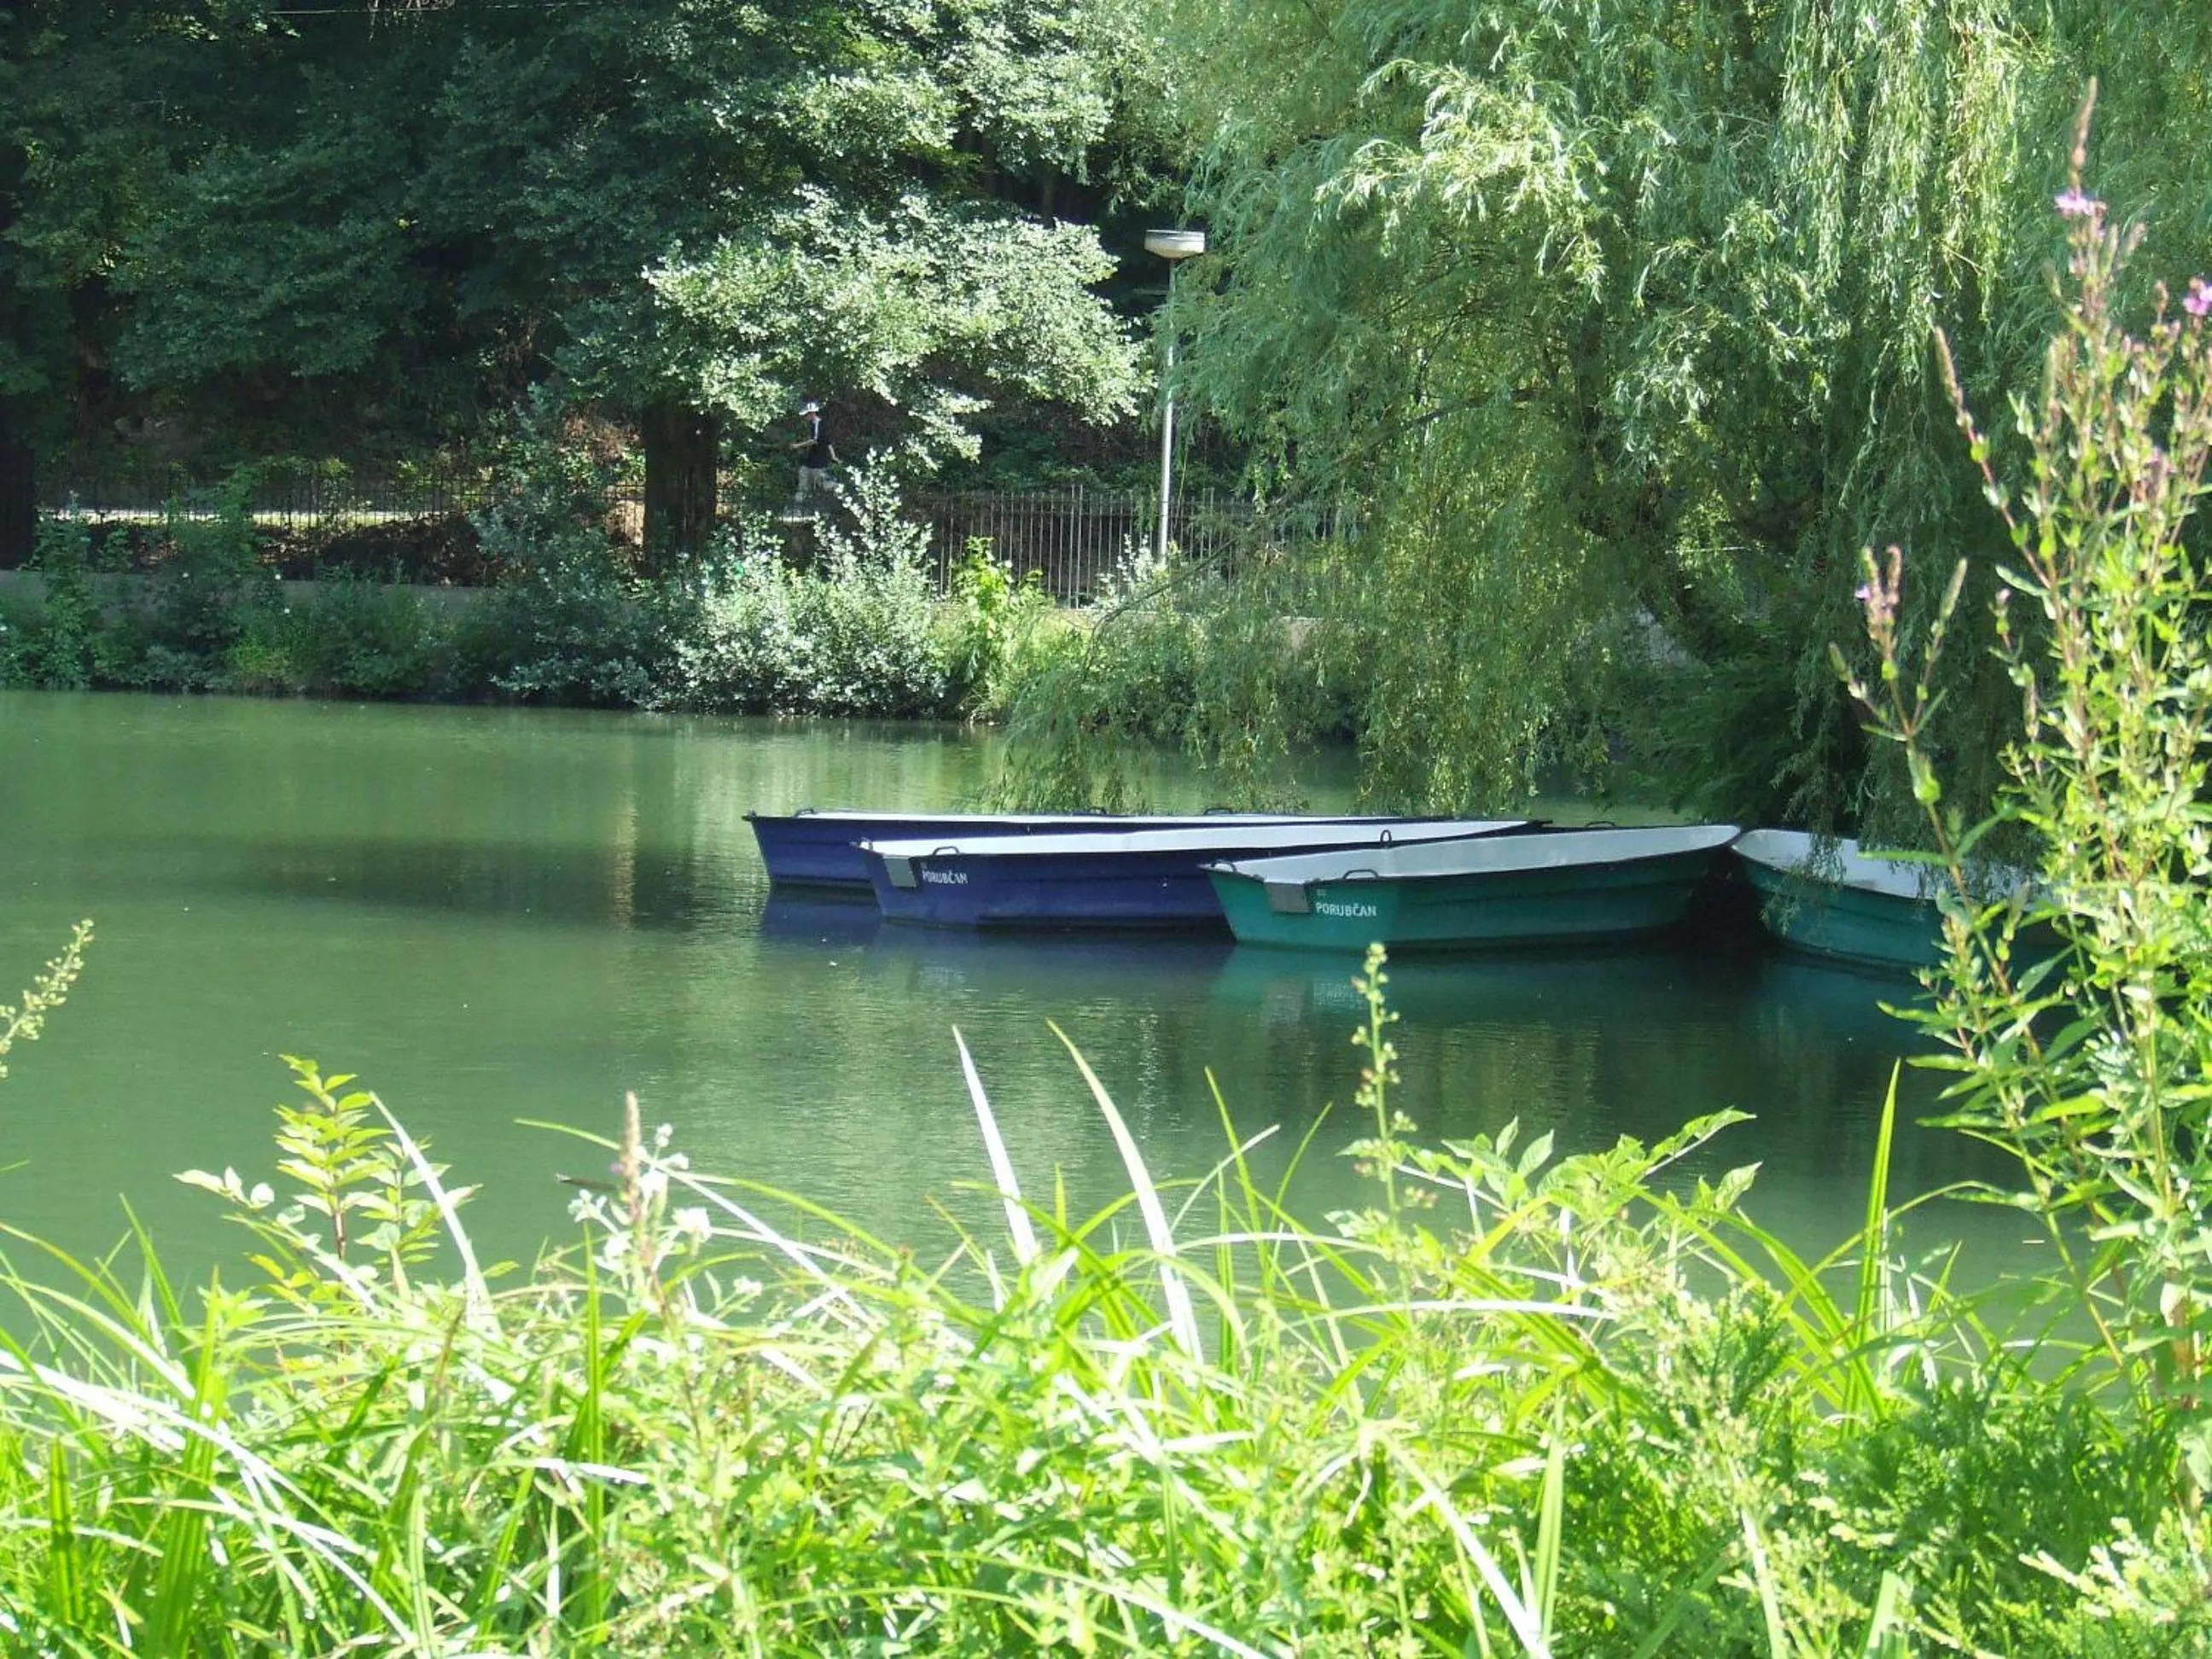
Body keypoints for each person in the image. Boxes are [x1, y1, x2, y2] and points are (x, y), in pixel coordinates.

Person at [788, 399, 839, 506]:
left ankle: (838, 494)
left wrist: (797, 445)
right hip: (813, 458)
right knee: (803, 474)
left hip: (819, 459)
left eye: (806, 415)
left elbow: (814, 441)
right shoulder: (813, 424)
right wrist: (833, 456)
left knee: (822, 481)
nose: (805, 417)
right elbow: (828, 442)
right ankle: (799, 501)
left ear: (812, 414)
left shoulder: (818, 425)